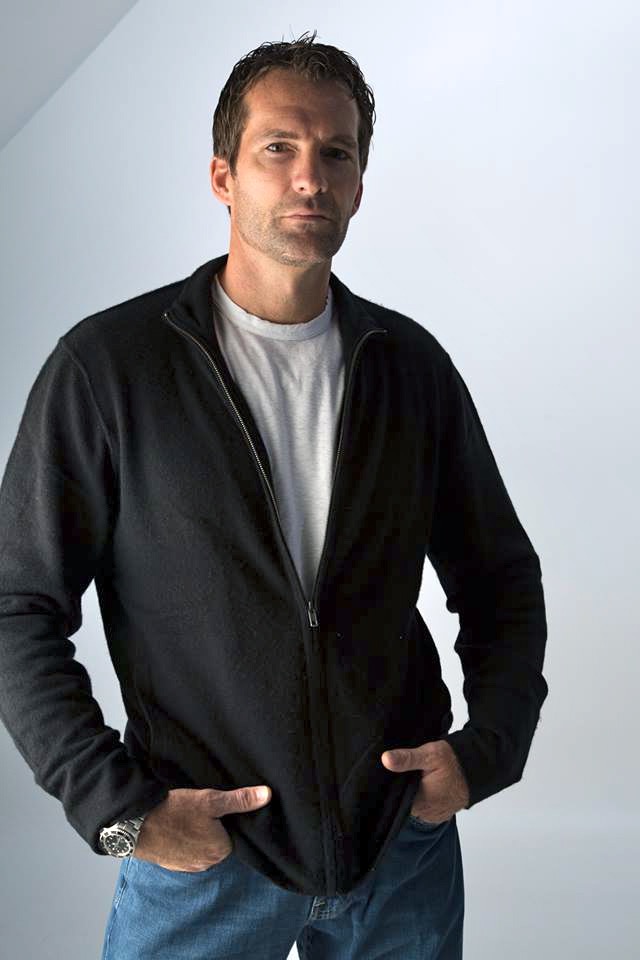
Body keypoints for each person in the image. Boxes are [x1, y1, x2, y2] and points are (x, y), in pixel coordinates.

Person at [0, 31, 548, 960]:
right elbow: (18, 606)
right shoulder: (111, 369)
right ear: (223, 176)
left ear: (360, 185)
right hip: (205, 856)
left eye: (336, 154)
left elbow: (499, 577)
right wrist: (120, 811)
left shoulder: (408, 366)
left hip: (397, 848)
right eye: (279, 148)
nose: (310, 178)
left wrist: (486, 749)